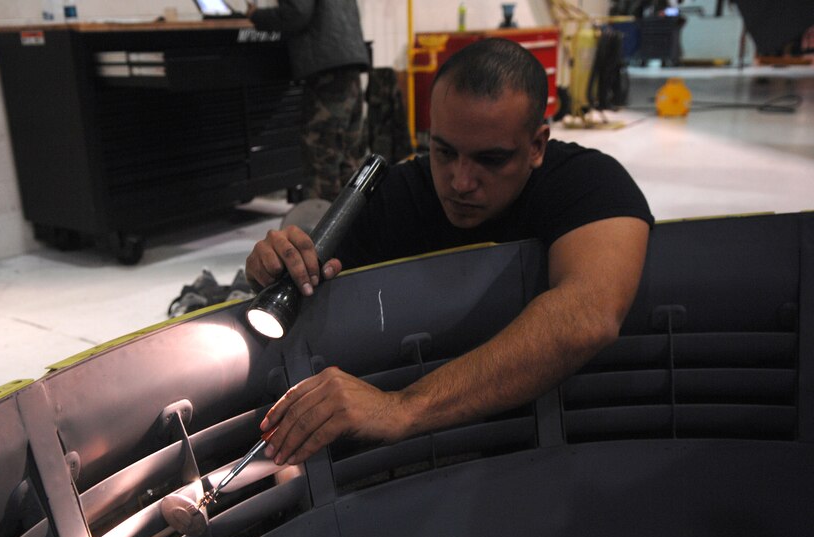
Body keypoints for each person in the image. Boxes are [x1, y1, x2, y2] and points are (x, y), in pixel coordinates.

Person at [245, 38, 654, 467]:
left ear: (536, 146)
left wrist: (402, 408)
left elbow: (587, 316)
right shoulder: (393, 198)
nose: (460, 181)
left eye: (490, 159)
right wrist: (274, 270)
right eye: (443, 151)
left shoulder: (589, 184)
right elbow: (306, 295)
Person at [246, 1, 370, 201]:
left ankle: (324, 226)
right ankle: (353, 221)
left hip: (327, 68)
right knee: (349, 156)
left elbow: (297, 13)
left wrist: (256, 15)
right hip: (349, 59)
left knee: (322, 155)